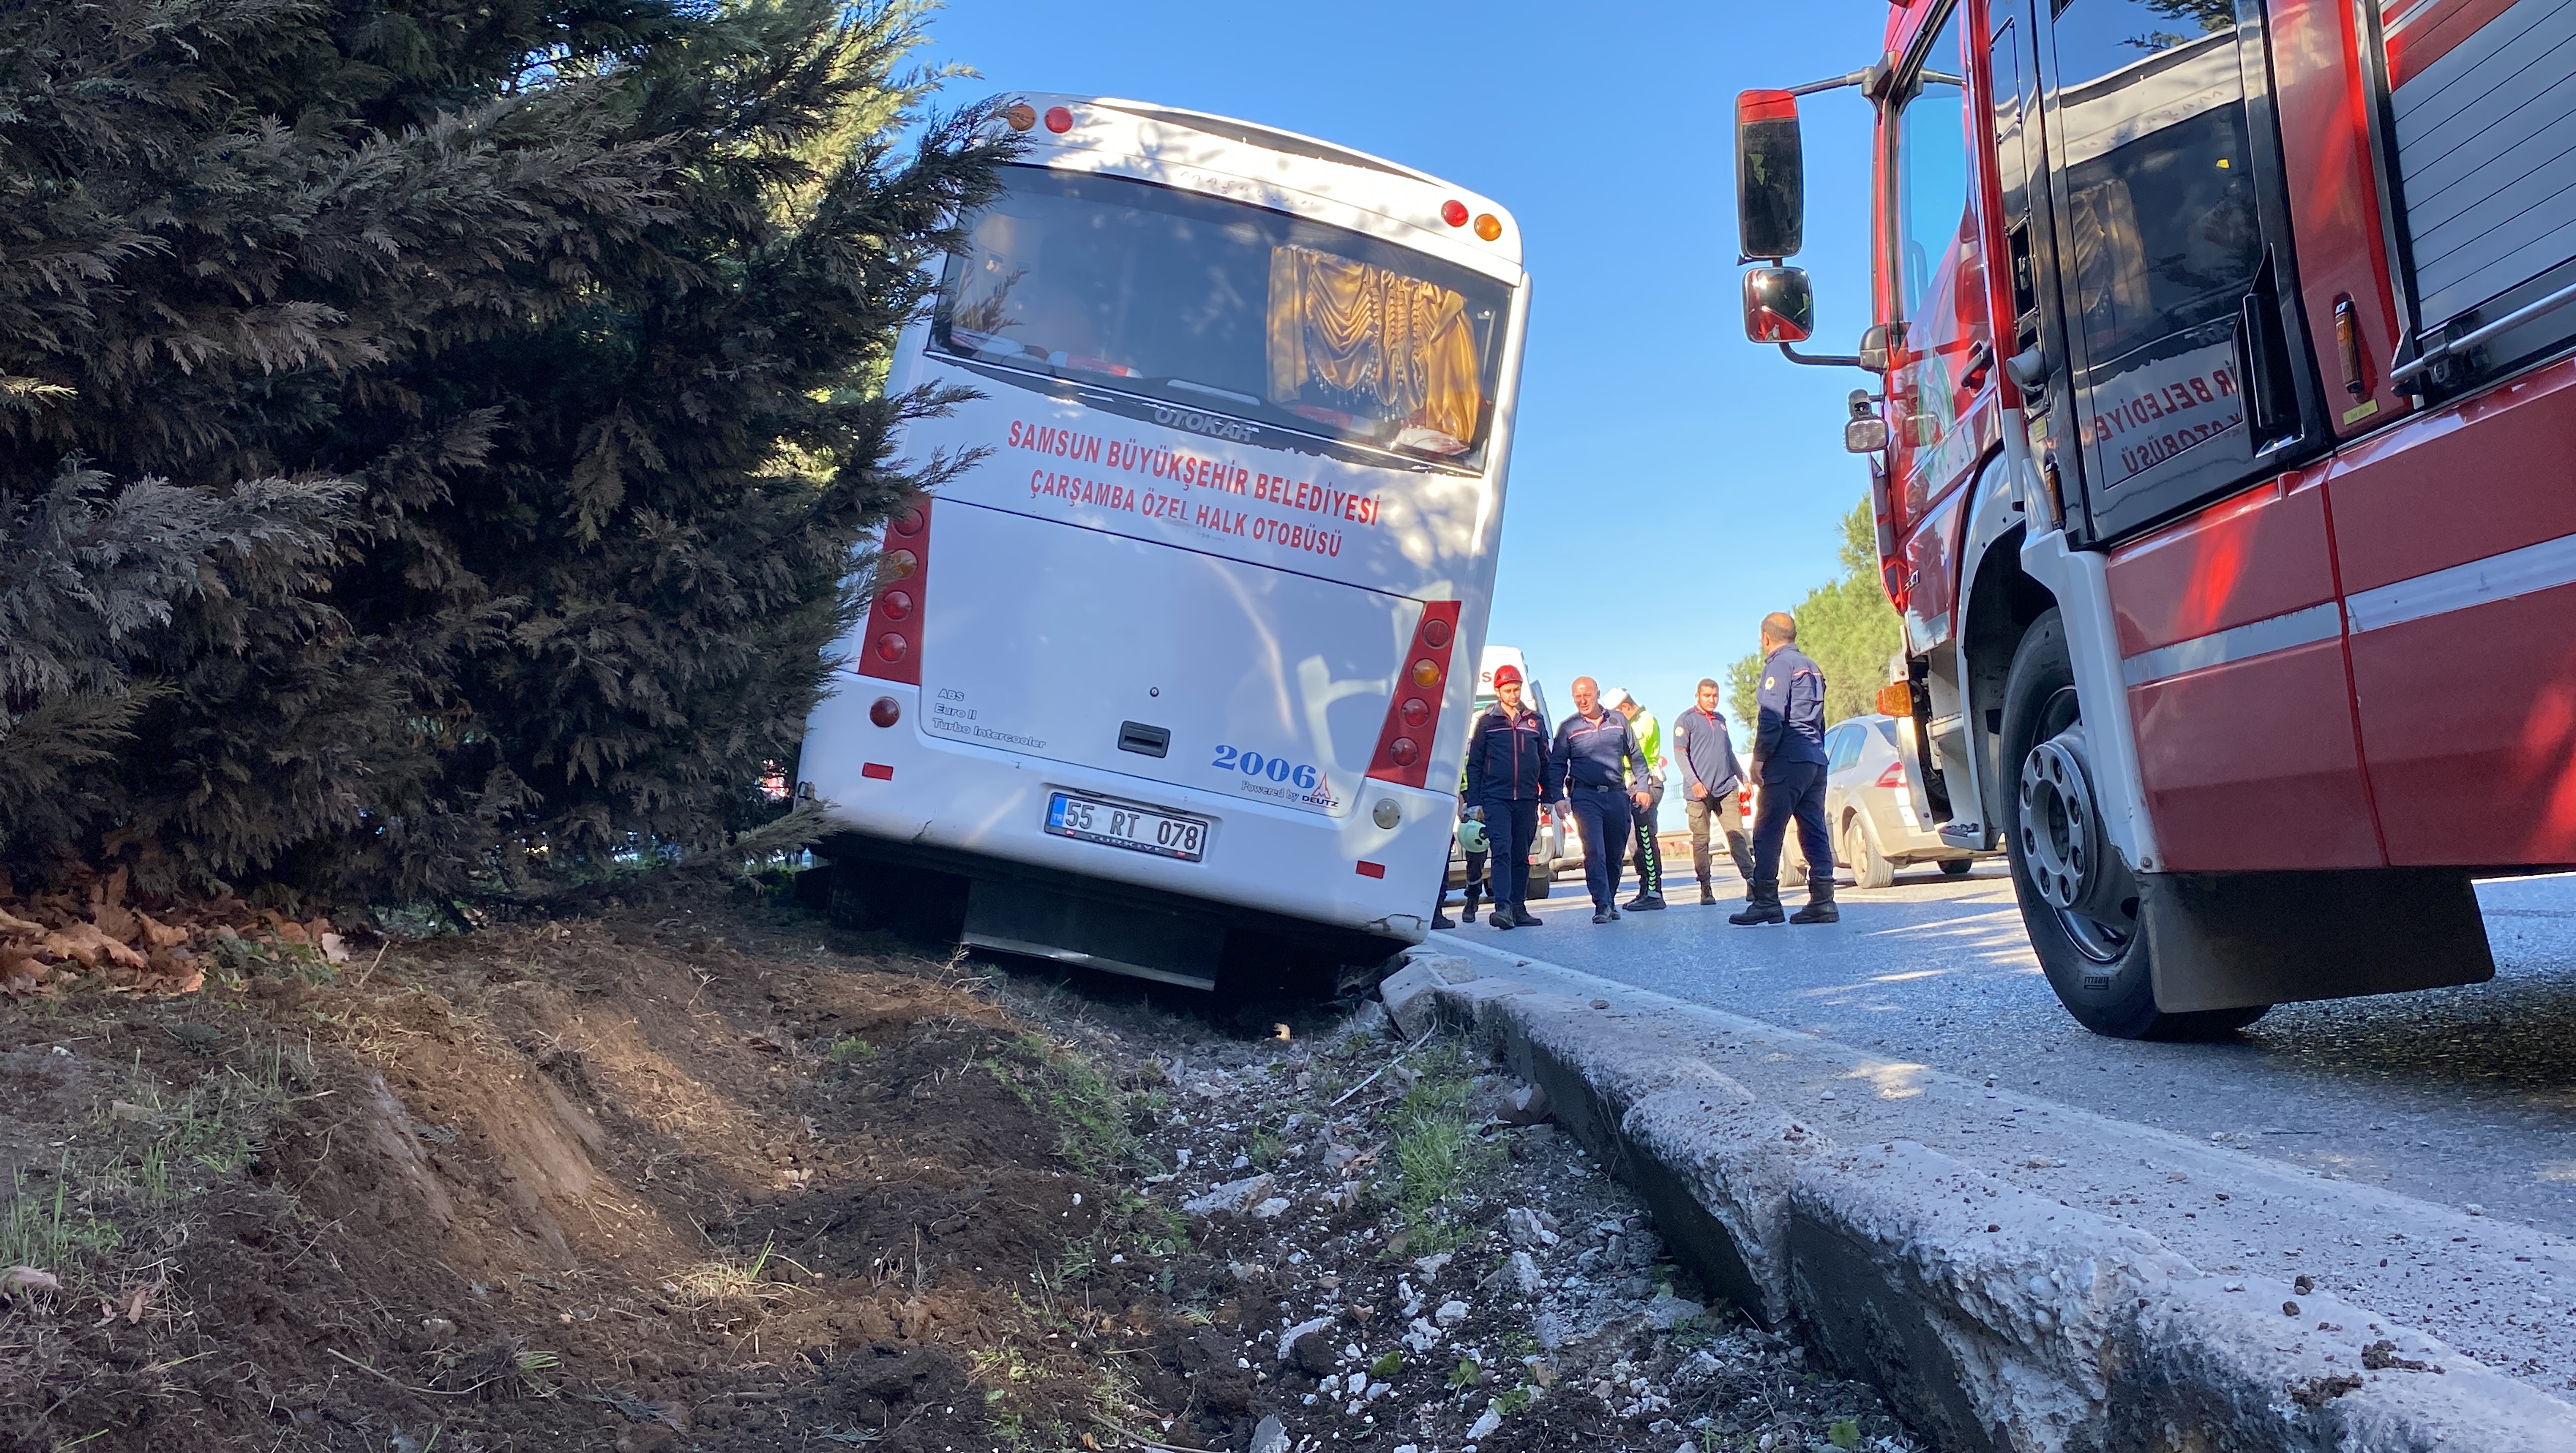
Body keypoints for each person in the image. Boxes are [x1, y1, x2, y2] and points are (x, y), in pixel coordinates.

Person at [1734, 612, 1837, 926]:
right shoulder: (1812, 667)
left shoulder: (1778, 665)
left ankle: (1766, 901)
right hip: (1814, 759)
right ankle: (1824, 901)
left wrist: (1759, 758)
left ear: (1766, 637)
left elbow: (1772, 716)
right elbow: (1820, 718)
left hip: (1787, 759)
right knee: (1814, 829)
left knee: (1767, 831)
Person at [1552, 677, 1656, 925]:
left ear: (1597, 694)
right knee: (1594, 851)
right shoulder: (1568, 728)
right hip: (1585, 797)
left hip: (1617, 794)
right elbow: (1556, 765)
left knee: (1614, 852)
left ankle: (1609, 896)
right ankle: (1602, 904)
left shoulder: (1618, 721)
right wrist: (1557, 797)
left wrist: (1643, 787)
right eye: (1577, 697)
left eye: (1587, 695)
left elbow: (1637, 757)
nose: (1583, 700)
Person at [1461, 664, 1552, 928]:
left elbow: (1545, 761)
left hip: (1526, 798)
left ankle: (1518, 908)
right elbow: (1475, 763)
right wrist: (1474, 802)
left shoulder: (1535, 721)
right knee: (1501, 850)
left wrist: (1548, 795)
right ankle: (1502, 907)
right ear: (1499, 692)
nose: (1513, 695)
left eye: (1516, 689)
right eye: (1508, 690)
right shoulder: (1487, 723)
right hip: (1496, 798)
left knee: (1521, 854)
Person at [1674, 677, 1754, 904]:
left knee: (1737, 835)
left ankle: (1751, 881)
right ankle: (1705, 886)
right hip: (1698, 792)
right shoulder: (1686, 720)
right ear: (1697, 696)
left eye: (1715, 696)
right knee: (1701, 840)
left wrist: (1742, 777)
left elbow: (1728, 752)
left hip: (1725, 788)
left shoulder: (1721, 720)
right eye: (1707, 695)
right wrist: (1694, 782)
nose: (1711, 700)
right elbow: (1680, 754)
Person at [1602, 688, 1666, 911]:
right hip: (1630, 785)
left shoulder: (1645, 721)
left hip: (1646, 784)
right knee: (1634, 841)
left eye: (1614, 715)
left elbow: (1630, 751)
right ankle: (1644, 889)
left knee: (1646, 837)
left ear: (1625, 708)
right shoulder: (1631, 723)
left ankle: (1654, 891)